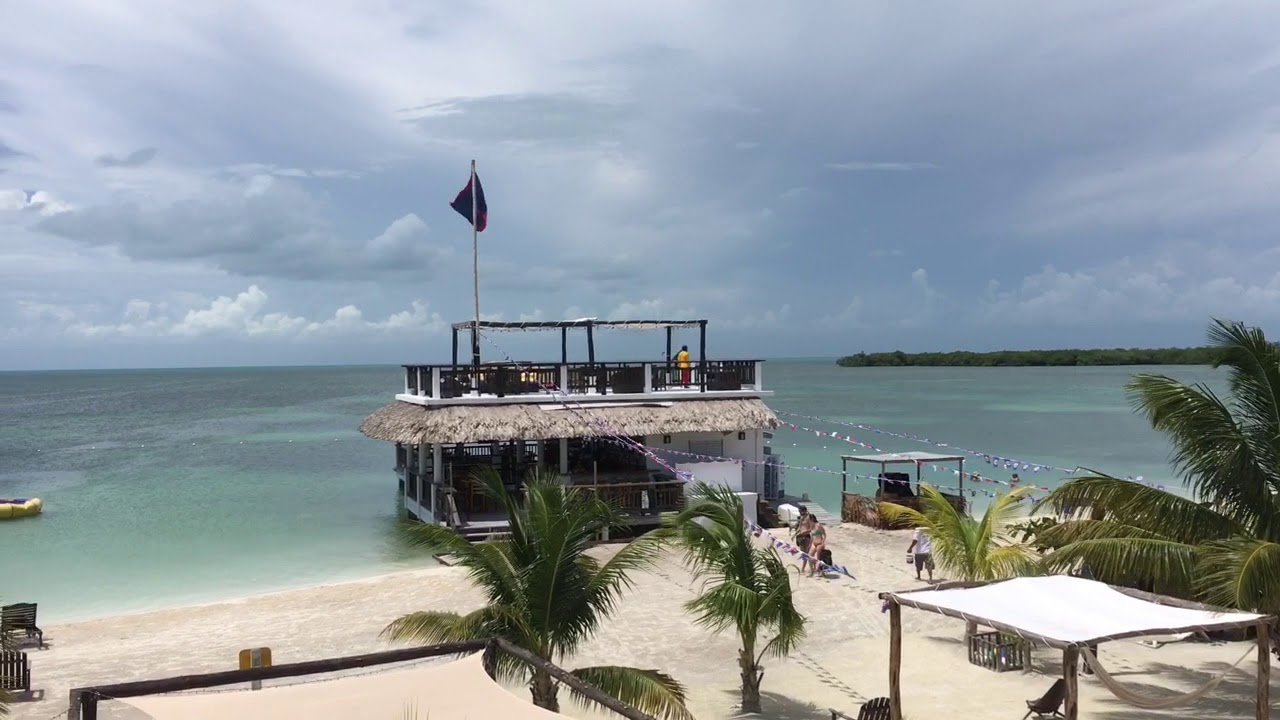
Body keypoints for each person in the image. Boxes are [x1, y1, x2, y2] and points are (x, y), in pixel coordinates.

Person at [793, 506, 814, 573]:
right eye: (799, 511)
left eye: (800, 511)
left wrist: (804, 533)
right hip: (800, 537)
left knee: (808, 554)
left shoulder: (809, 517)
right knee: (803, 554)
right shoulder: (801, 517)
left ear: (804, 511)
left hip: (806, 536)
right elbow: (800, 527)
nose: (799, 513)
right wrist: (794, 535)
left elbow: (810, 529)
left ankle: (810, 568)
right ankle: (803, 569)